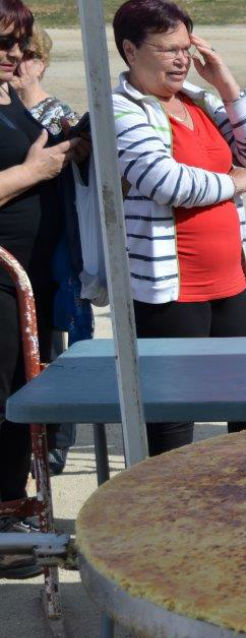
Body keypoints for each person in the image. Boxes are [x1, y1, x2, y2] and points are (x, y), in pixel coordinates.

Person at [112, 0, 246, 455]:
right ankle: (163, 519)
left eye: (187, 47)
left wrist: (224, 82)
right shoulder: (120, 108)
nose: (183, 59)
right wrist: (232, 183)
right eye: (168, 49)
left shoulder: (197, 101)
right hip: (170, 293)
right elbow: (163, 181)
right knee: (171, 419)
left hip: (230, 285)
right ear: (130, 49)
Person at [0, 0, 86, 578]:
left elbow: (57, 139)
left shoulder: (10, 97)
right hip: (2, 279)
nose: (13, 55)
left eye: (21, 44)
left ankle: (12, 512)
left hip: (34, 281)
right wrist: (33, 172)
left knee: (20, 399)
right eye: (4, 43)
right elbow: (30, 166)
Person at [11, 25, 75, 134]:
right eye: (9, 49)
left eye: (25, 53)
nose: (16, 58)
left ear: (41, 65)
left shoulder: (59, 115)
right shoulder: (5, 109)